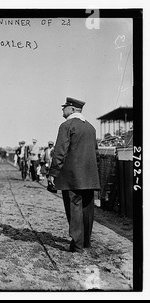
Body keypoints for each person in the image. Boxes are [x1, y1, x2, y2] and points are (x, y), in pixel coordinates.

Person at [48, 97, 100, 253]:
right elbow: (95, 153)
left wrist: (53, 173)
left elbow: (59, 152)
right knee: (87, 208)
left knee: (74, 208)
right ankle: (86, 243)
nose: (62, 110)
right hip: (89, 176)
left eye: (64, 107)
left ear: (72, 109)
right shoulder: (91, 128)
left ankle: (77, 245)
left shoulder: (66, 126)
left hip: (72, 177)